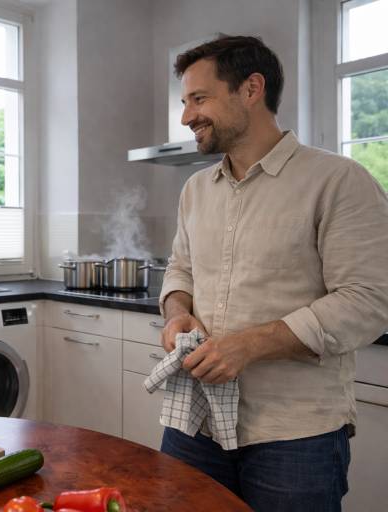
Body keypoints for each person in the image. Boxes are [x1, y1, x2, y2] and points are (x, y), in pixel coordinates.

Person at [158, 35, 388, 511]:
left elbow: (370, 300)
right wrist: (176, 312)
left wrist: (248, 345)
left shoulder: (338, 181)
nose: (186, 116)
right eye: (185, 102)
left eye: (199, 99)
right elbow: (179, 271)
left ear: (251, 89)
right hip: (195, 424)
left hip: (294, 435)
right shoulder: (195, 190)